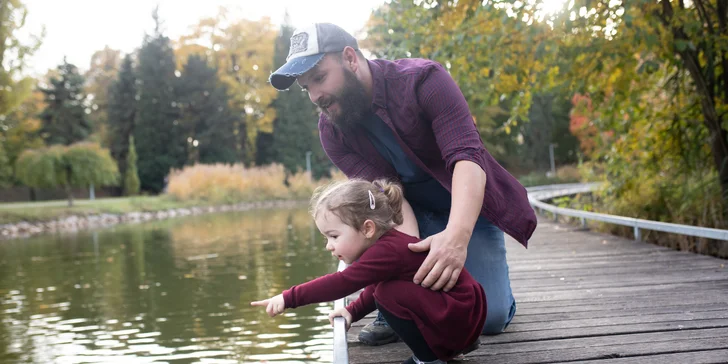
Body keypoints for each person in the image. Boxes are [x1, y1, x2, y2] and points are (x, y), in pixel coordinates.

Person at [268, 23, 537, 345]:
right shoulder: (332, 131)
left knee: (490, 318)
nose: (315, 97)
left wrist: (456, 238)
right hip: (405, 216)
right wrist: (403, 256)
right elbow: (385, 195)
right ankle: (393, 306)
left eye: (320, 78)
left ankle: (491, 294)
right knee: (387, 264)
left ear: (350, 58)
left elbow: (467, 156)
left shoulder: (425, 80)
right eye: (306, 87)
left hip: (468, 208)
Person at [251, 179, 485, 364]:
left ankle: (429, 359)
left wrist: (288, 297)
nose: (329, 246)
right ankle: (450, 346)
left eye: (334, 236)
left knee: (388, 294)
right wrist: (353, 311)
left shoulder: (386, 251)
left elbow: (342, 282)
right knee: (386, 289)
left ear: (367, 229)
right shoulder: (387, 246)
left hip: (461, 312)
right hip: (464, 312)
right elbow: (373, 286)